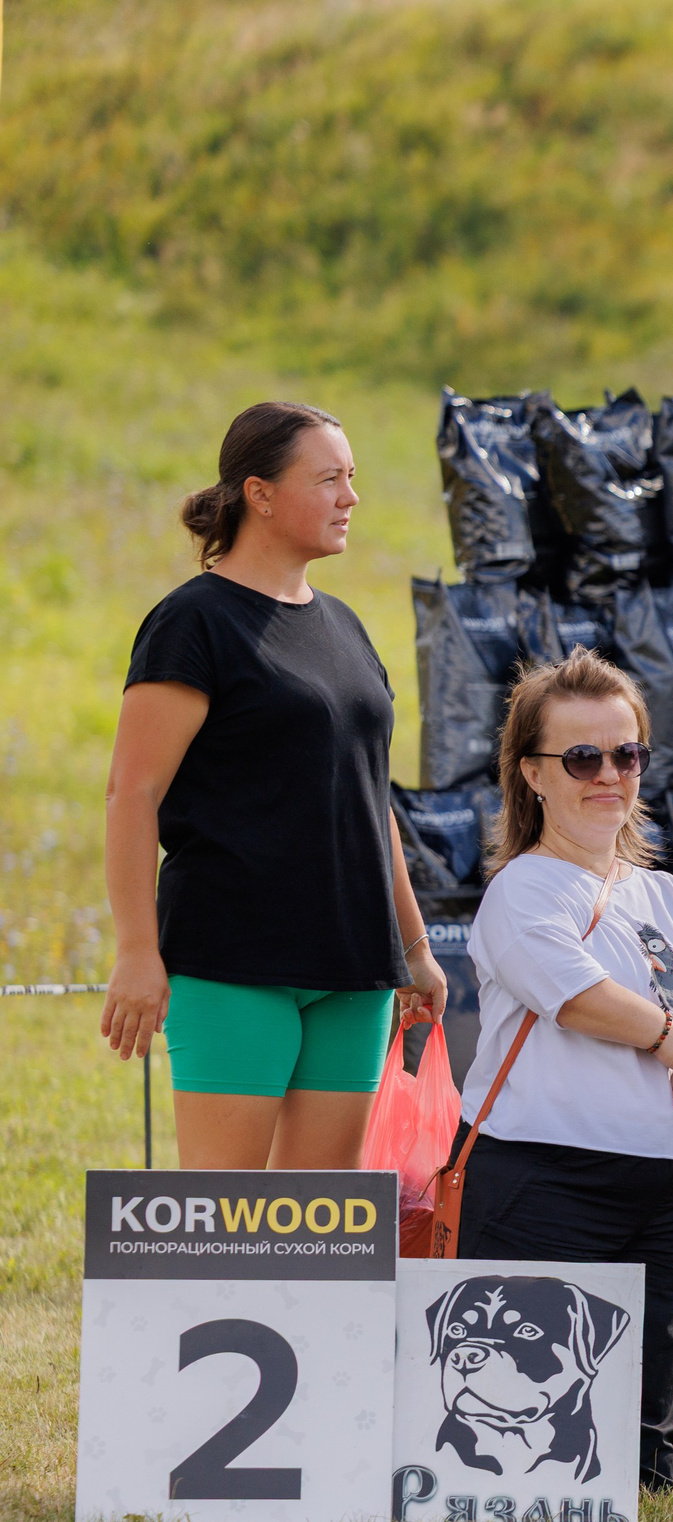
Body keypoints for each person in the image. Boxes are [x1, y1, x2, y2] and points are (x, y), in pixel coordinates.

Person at [100, 401, 446, 1168]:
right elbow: (133, 795)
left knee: (317, 1242)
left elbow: (369, 800)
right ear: (259, 493)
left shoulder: (347, 628)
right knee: (226, 1232)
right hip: (233, 958)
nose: (351, 497)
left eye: (351, 478)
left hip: (356, 967)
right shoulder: (192, 623)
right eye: (329, 479)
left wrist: (413, 946)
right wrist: (136, 951)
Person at [454, 648, 673, 1493]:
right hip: (547, 1180)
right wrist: (672, 1042)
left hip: (668, 1179)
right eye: (582, 757)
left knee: (646, 1436)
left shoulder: (670, 896)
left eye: (627, 754)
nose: (608, 774)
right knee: (514, 1432)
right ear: (533, 775)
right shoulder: (523, 891)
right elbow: (573, 994)